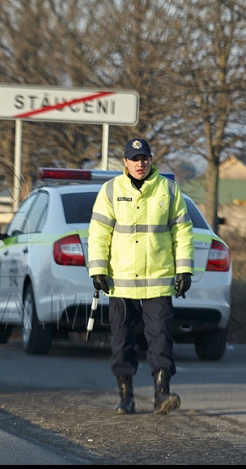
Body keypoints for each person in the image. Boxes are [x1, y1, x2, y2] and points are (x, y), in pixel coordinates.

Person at [88, 138, 194, 416]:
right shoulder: (110, 190)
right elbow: (99, 233)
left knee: (160, 340)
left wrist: (184, 269)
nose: (140, 163)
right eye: (134, 159)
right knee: (121, 343)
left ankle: (162, 394)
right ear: (124, 162)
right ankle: (126, 398)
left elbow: (182, 232)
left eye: (144, 158)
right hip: (120, 283)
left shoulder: (168, 189)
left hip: (158, 282)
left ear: (151, 159)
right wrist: (97, 270)